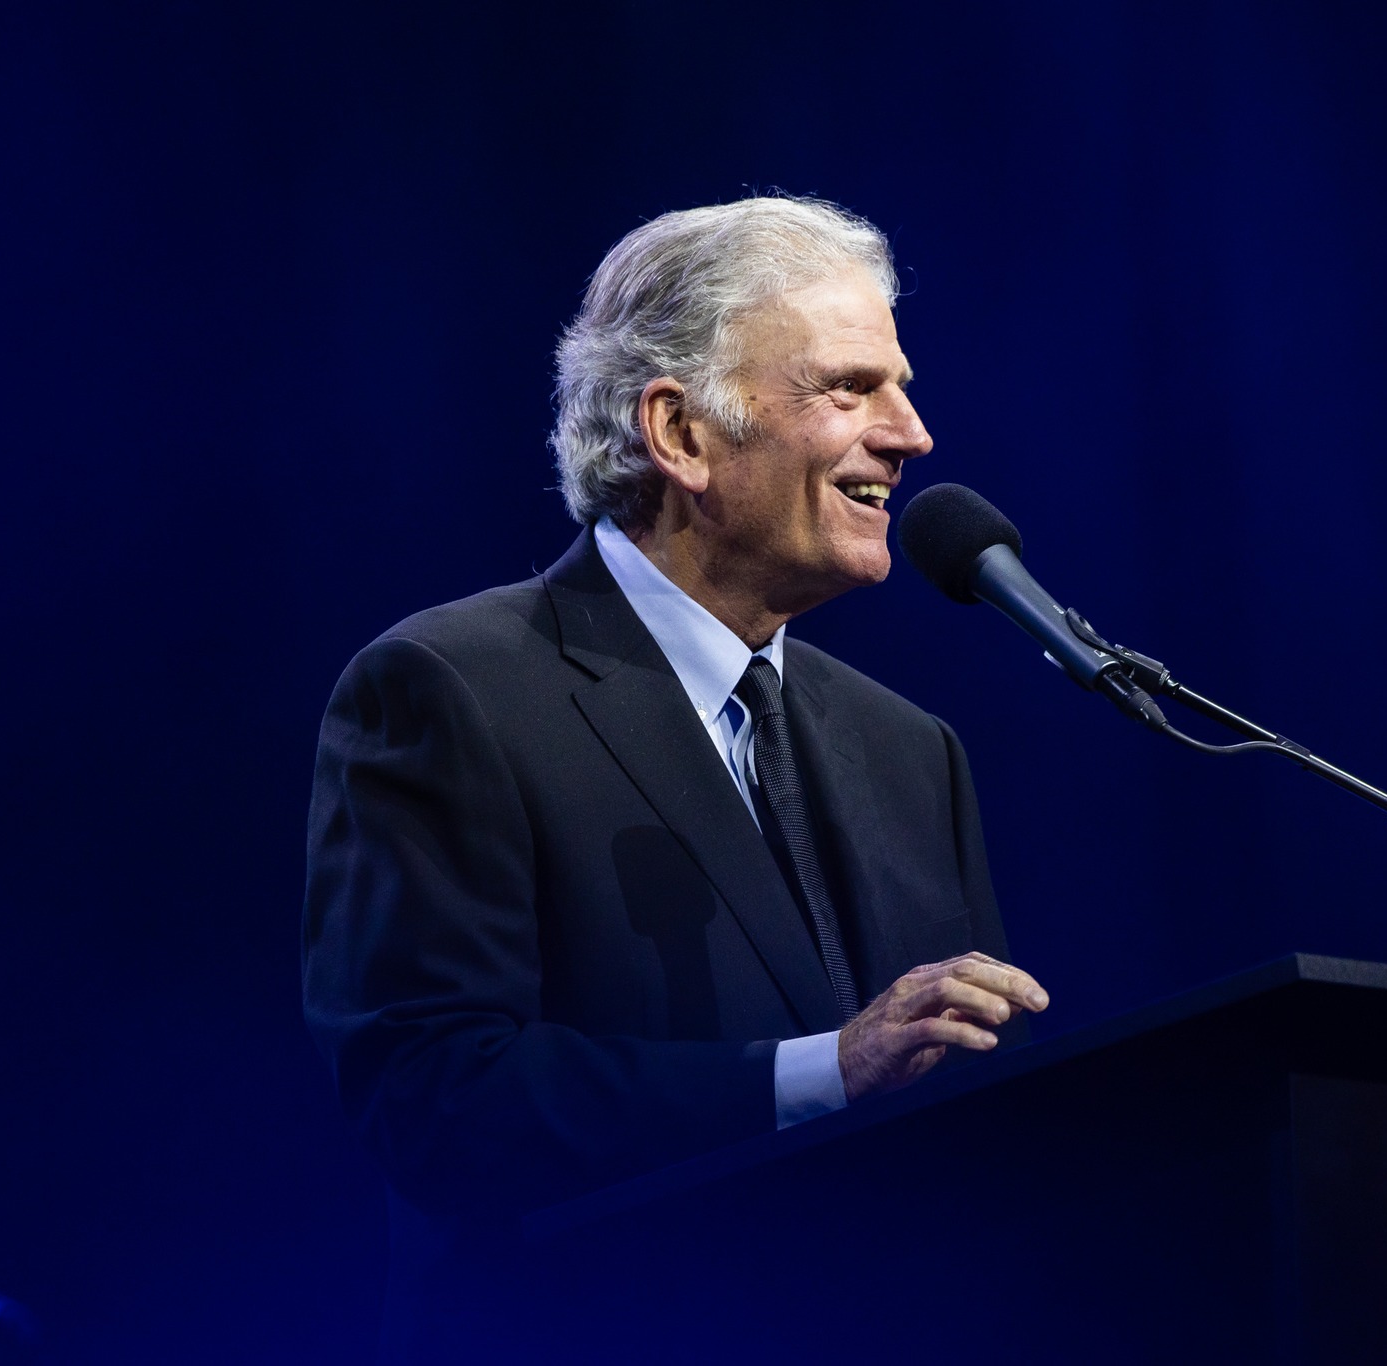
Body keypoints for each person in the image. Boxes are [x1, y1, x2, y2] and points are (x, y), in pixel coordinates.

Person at [301, 195, 1047, 1354]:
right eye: (849, 389)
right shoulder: (448, 690)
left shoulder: (912, 752)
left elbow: (986, 1122)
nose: (910, 434)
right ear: (680, 433)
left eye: (897, 388)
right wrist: (824, 1071)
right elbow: (435, 1096)